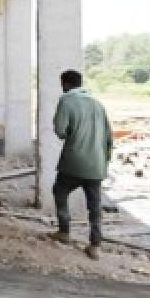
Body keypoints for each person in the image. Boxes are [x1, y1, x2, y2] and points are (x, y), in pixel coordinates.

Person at [48, 69, 114, 260]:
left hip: (73, 161)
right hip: (97, 164)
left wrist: (72, 135)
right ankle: (95, 245)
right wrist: (104, 161)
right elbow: (109, 137)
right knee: (94, 206)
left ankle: (64, 232)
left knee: (60, 191)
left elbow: (60, 131)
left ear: (65, 84)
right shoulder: (98, 104)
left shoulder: (66, 100)